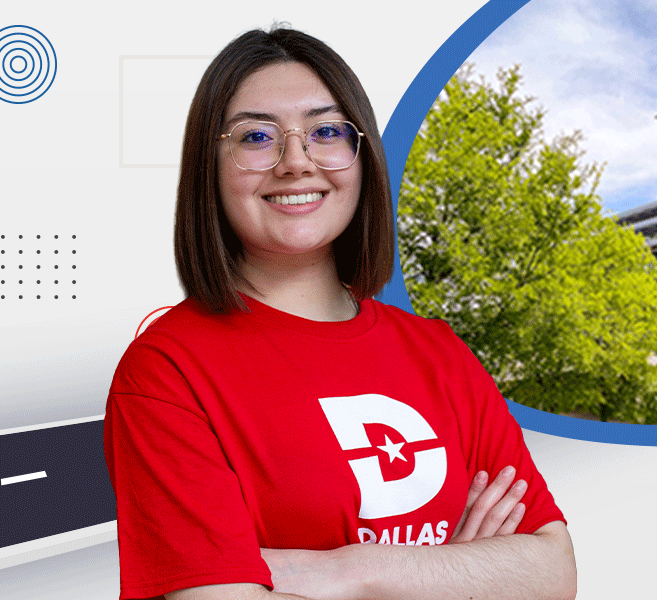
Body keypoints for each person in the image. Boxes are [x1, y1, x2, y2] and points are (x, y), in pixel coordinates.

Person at [104, 25, 576, 600]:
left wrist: (351, 572)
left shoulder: (438, 351)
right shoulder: (166, 371)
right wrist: (458, 573)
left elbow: (551, 575)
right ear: (210, 166)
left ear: (362, 156)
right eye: (257, 137)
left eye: (327, 131)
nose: (296, 161)